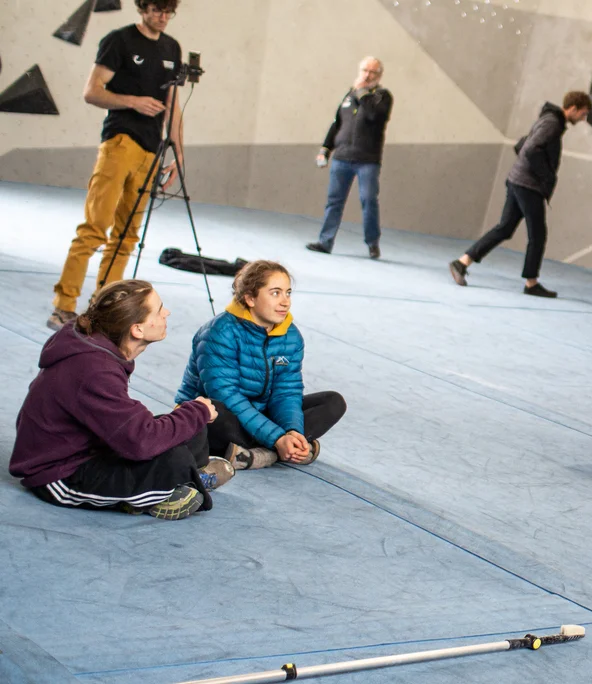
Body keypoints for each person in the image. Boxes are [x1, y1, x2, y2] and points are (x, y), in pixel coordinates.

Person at [12, 280, 229, 521]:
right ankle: (158, 491)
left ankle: (184, 477)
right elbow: (140, 441)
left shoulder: (97, 347)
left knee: (192, 427)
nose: (166, 313)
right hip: (59, 474)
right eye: (159, 309)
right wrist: (195, 412)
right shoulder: (95, 369)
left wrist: (194, 414)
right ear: (137, 329)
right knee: (175, 455)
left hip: (92, 447)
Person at [47, 0, 185, 331]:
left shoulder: (172, 47)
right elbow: (92, 92)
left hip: (152, 151)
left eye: (169, 12)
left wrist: (179, 154)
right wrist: (133, 102)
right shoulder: (119, 40)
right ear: (142, 8)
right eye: (156, 10)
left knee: (127, 235)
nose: (162, 17)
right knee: (95, 228)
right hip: (120, 143)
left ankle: (103, 308)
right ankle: (64, 305)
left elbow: (173, 104)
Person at [176, 261, 347, 470]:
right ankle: (279, 451)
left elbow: (286, 392)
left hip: (260, 413)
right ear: (250, 298)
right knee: (212, 410)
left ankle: (259, 453)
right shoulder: (219, 332)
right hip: (222, 415)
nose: (285, 302)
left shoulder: (291, 336)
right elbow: (226, 396)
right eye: (275, 293)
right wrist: (276, 438)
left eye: (288, 293)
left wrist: (292, 431)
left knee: (333, 402)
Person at [449, 92, 592, 297]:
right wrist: (545, 178)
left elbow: (523, 145)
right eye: (583, 114)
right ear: (573, 108)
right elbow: (531, 150)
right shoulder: (553, 123)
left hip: (518, 180)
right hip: (528, 185)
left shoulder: (549, 119)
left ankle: (462, 262)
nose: (583, 119)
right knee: (537, 235)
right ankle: (531, 283)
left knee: (505, 228)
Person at [306, 57, 394, 259]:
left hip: (367, 160)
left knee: (368, 200)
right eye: (364, 70)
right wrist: (325, 149)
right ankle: (325, 241)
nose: (367, 75)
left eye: (372, 72)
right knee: (334, 201)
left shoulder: (382, 96)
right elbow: (337, 123)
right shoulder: (348, 96)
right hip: (342, 158)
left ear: (379, 75)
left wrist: (362, 92)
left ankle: (372, 242)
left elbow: (373, 115)